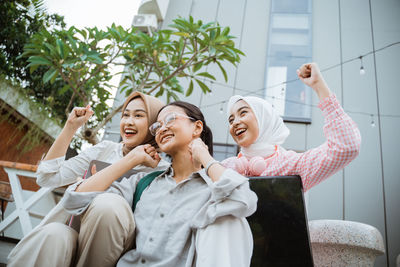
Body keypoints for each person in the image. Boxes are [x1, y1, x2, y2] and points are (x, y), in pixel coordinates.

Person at [61, 101, 258, 266]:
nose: (162, 128)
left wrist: (205, 158)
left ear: (197, 127)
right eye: (157, 126)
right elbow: (73, 200)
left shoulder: (215, 189)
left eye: (170, 119)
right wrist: (130, 160)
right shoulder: (145, 182)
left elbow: (244, 201)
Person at [8, 92, 169, 267]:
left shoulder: (162, 171)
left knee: (108, 205)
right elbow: (47, 177)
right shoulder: (106, 150)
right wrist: (70, 127)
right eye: (125, 115)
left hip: (117, 251)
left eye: (138, 115)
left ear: (155, 125)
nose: (129, 121)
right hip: (72, 236)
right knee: (55, 233)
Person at [223, 62, 361, 191]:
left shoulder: (291, 164)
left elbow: (346, 147)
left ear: (264, 118)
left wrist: (319, 85)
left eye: (243, 113)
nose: (235, 122)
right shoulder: (226, 168)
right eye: (231, 120)